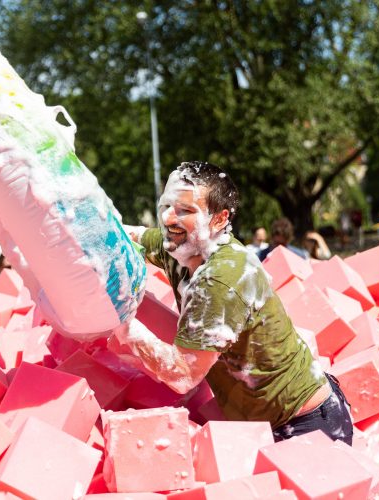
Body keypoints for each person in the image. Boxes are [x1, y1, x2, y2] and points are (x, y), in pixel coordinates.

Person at [119, 161, 353, 444]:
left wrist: (121, 324)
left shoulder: (220, 278)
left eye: (185, 211)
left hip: (306, 424)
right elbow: (131, 235)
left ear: (218, 219)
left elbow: (182, 374)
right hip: (261, 423)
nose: (169, 218)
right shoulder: (179, 244)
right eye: (167, 205)